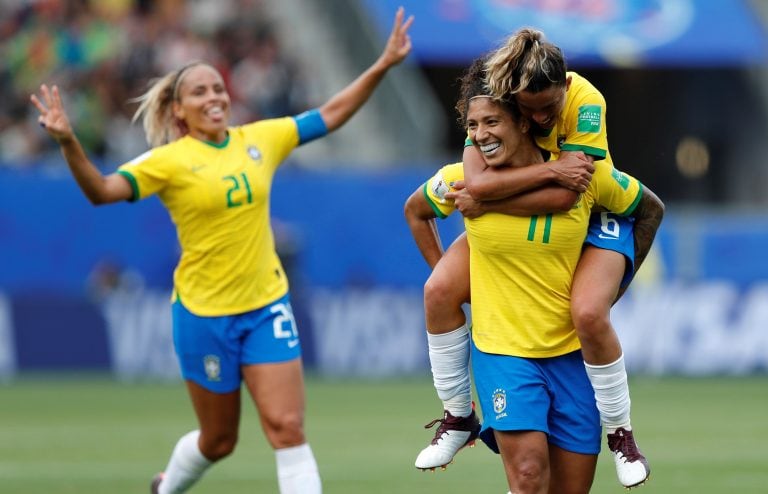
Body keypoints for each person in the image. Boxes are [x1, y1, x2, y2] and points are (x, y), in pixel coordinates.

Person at [30, 8, 414, 494]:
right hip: (203, 314)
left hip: (265, 305)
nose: (214, 97)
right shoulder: (166, 162)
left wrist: (382, 64)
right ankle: (166, 487)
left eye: (218, 88)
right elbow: (102, 191)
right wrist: (68, 142)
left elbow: (331, 114)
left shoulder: (260, 138)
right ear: (178, 112)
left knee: (288, 428)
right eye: (199, 92)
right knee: (218, 440)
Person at [411, 28, 661, 489]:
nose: (544, 118)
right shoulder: (480, 139)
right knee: (440, 290)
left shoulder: (587, 124)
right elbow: (423, 206)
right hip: (505, 351)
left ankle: (621, 433)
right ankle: (456, 413)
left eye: (550, 108)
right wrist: (471, 278)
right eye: (475, 126)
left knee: (588, 311)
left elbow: (574, 195)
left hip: (569, 345)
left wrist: (618, 284)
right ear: (514, 108)